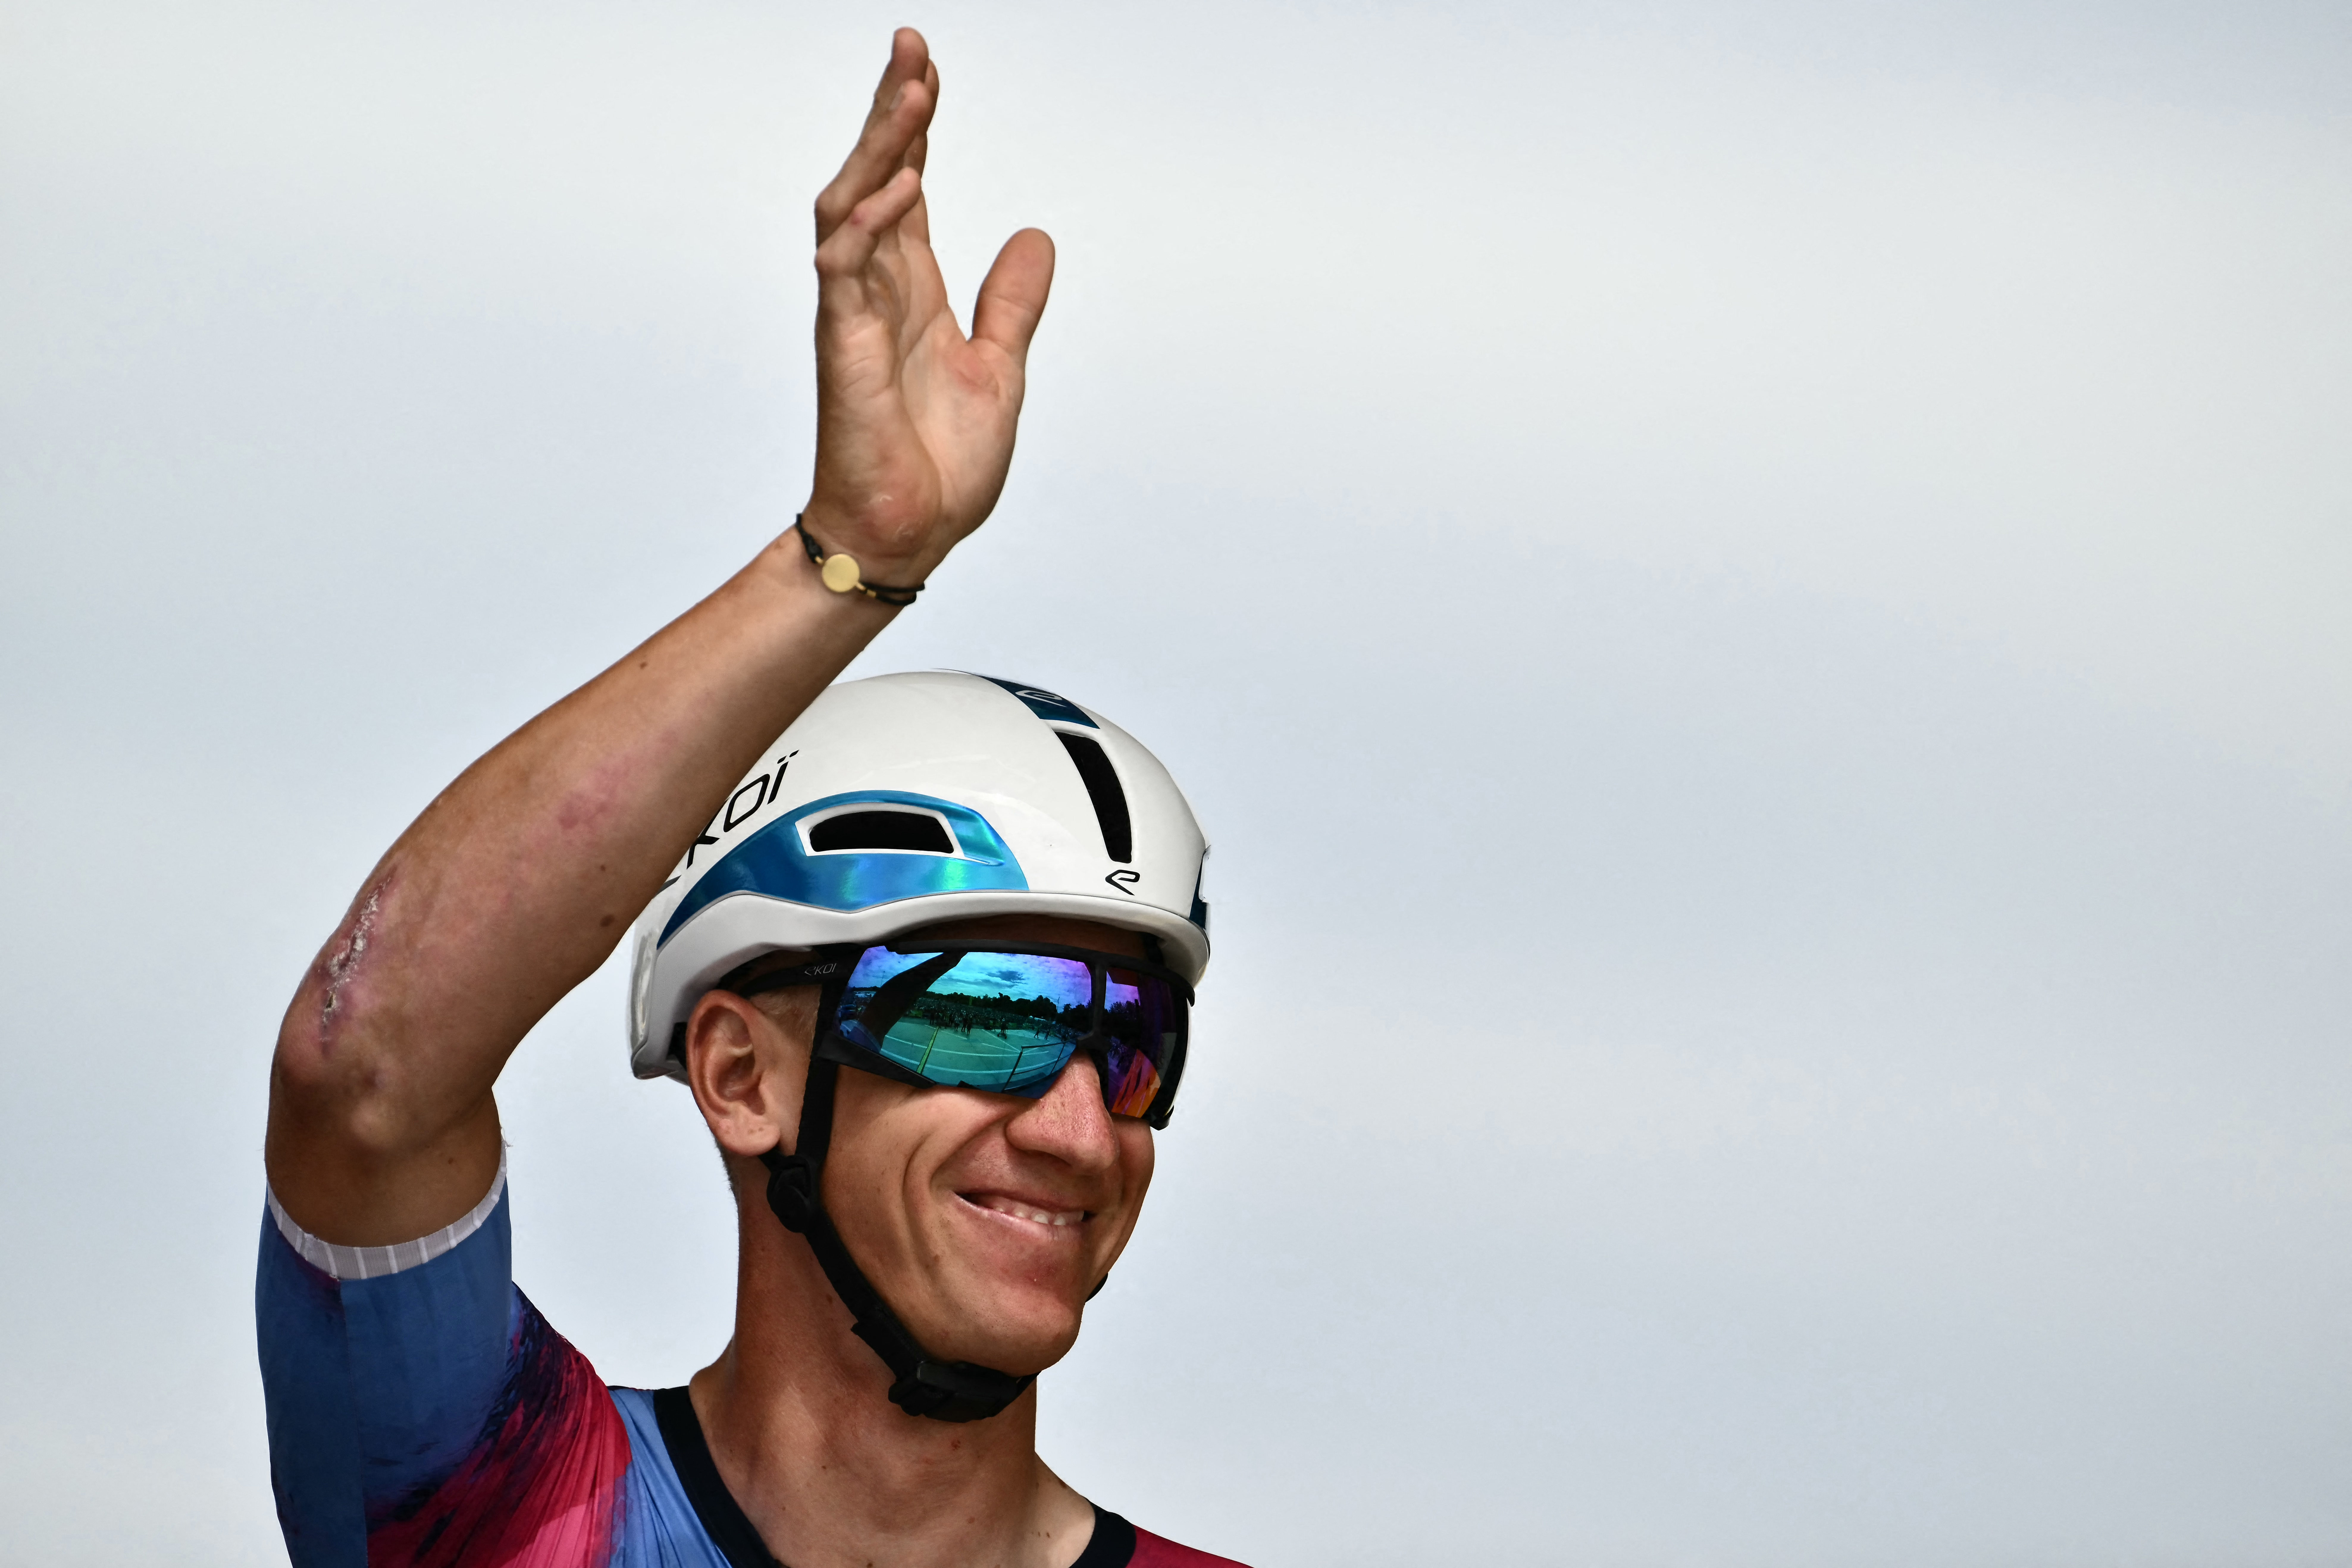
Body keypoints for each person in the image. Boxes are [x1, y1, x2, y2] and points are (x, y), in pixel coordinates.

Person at [256, 28, 1244, 1568]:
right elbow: (363, 1066)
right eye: (988, 1008)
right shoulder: (514, 1511)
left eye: (1131, 1050)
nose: (1077, 1129)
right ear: (739, 1072)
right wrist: (847, 557)